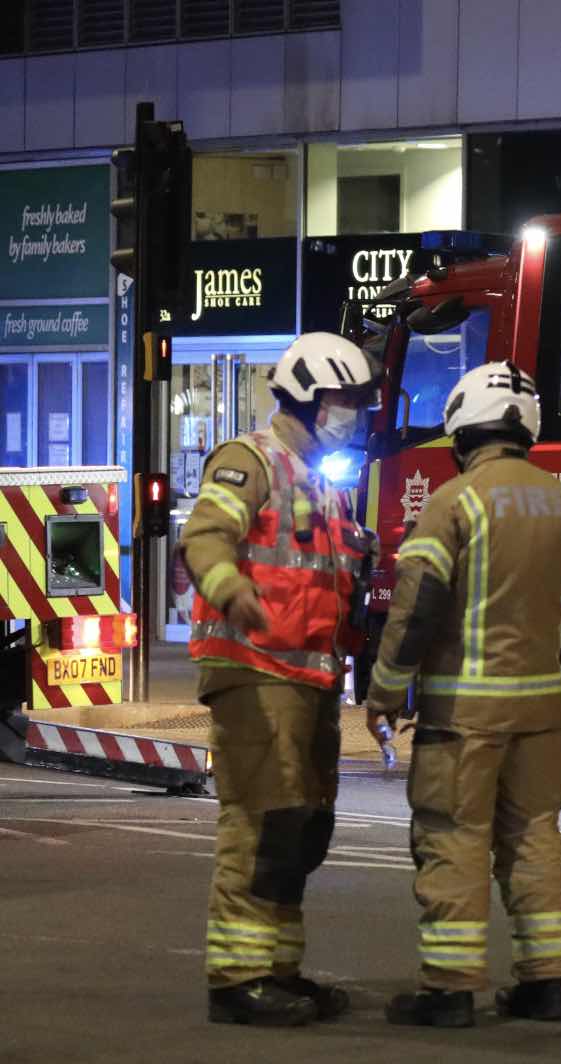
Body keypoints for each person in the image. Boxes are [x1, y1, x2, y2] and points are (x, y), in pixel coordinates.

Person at [365, 362, 561, 1028]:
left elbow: (418, 605)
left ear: (462, 428)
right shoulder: (559, 500)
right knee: (534, 839)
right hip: (542, 713)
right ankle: (546, 985)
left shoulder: (454, 500)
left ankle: (450, 990)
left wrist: (385, 690)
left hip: (466, 716)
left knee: (453, 839)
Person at [181, 331, 379, 1026]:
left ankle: (280, 970)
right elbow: (204, 535)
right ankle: (236, 981)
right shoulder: (250, 459)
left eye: (357, 400)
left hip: (308, 682)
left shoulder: (325, 481)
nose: (351, 412)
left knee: (298, 828)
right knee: (258, 822)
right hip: (253, 673)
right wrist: (229, 584)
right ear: (303, 397)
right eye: (341, 399)